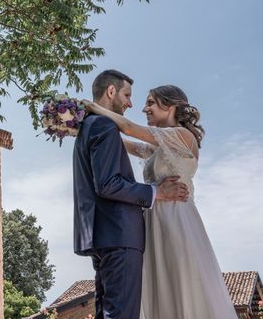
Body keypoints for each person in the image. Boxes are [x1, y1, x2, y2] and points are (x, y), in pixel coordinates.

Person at [83, 84, 238, 319]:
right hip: (154, 220)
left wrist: (91, 107)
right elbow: (125, 143)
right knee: (159, 287)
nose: (144, 108)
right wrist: (79, 129)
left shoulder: (183, 136)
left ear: (171, 106)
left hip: (176, 221)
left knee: (179, 284)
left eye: (151, 102)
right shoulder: (159, 147)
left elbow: (127, 128)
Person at [73, 70, 189, 319]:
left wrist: (80, 118)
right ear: (112, 92)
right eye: (128, 95)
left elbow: (127, 133)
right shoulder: (103, 125)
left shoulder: (93, 127)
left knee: (110, 311)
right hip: (120, 233)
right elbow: (109, 184)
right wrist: (158, 191)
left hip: (111, 233)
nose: (133, 104)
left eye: (148, 103)